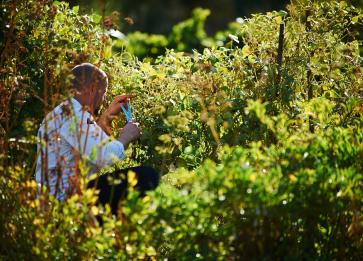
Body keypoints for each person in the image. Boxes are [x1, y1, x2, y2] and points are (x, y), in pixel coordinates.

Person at [35, 63, 159, 214]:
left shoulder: (66, 112)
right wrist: (125, 137)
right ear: (93, 88)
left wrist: (108, 117)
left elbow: (91, 145)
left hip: (61, 196)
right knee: (147, 175)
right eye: (104, 92)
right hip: (66, 199)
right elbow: (104, 156)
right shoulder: (75, 116)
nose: (103, 98)